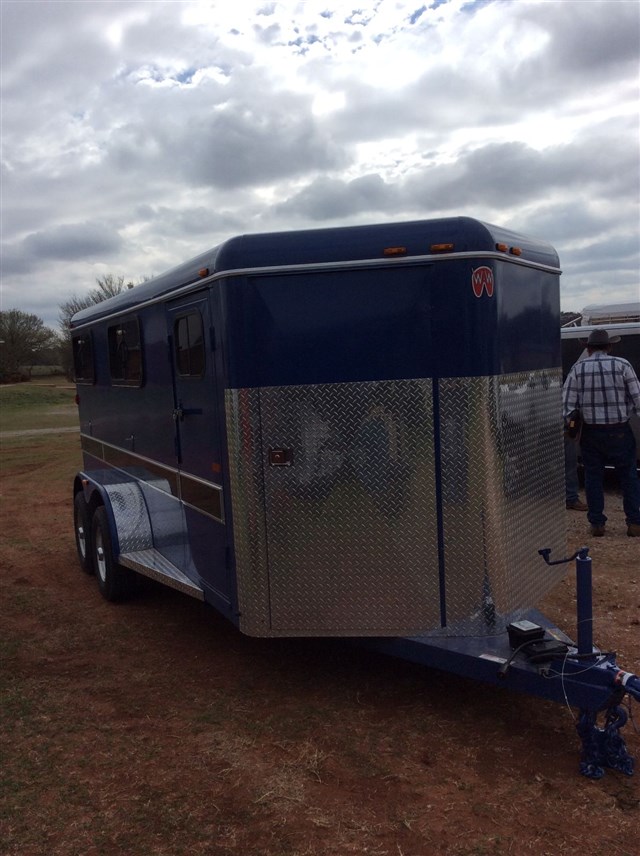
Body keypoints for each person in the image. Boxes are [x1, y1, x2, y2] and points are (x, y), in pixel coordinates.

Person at [563, 328, 640, 537]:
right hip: (620, 430)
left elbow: (567, 404)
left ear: (588, 348)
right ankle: (634, 523)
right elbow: (638, 399)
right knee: (629, 477)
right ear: (609, 346)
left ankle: (597, 523)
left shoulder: (578, 369)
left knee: (593, 478)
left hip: (591, 433)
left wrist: (573, 423)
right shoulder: (623, 365)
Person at [564, 435, 587, 510]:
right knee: (570, 464)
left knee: (570, 463)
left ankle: (571, 498)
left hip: (566, 432)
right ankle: (570, 497)